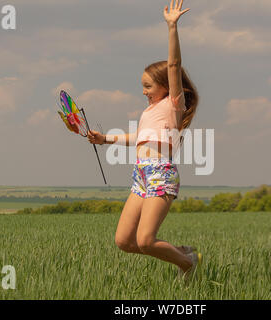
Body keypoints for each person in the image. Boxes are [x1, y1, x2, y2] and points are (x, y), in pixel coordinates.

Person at [87, 0, 201, 280]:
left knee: (146, 240)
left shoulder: (174, 105)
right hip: (141, 175)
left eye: (148, 86)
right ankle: (182, 252)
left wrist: (172, 27)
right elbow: (139, 138)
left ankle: (187, 264)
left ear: (165, 86)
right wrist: (105, 139)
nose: (143, 92)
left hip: (161, 174)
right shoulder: (150, 111)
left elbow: (174, 64)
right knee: (125, 242)